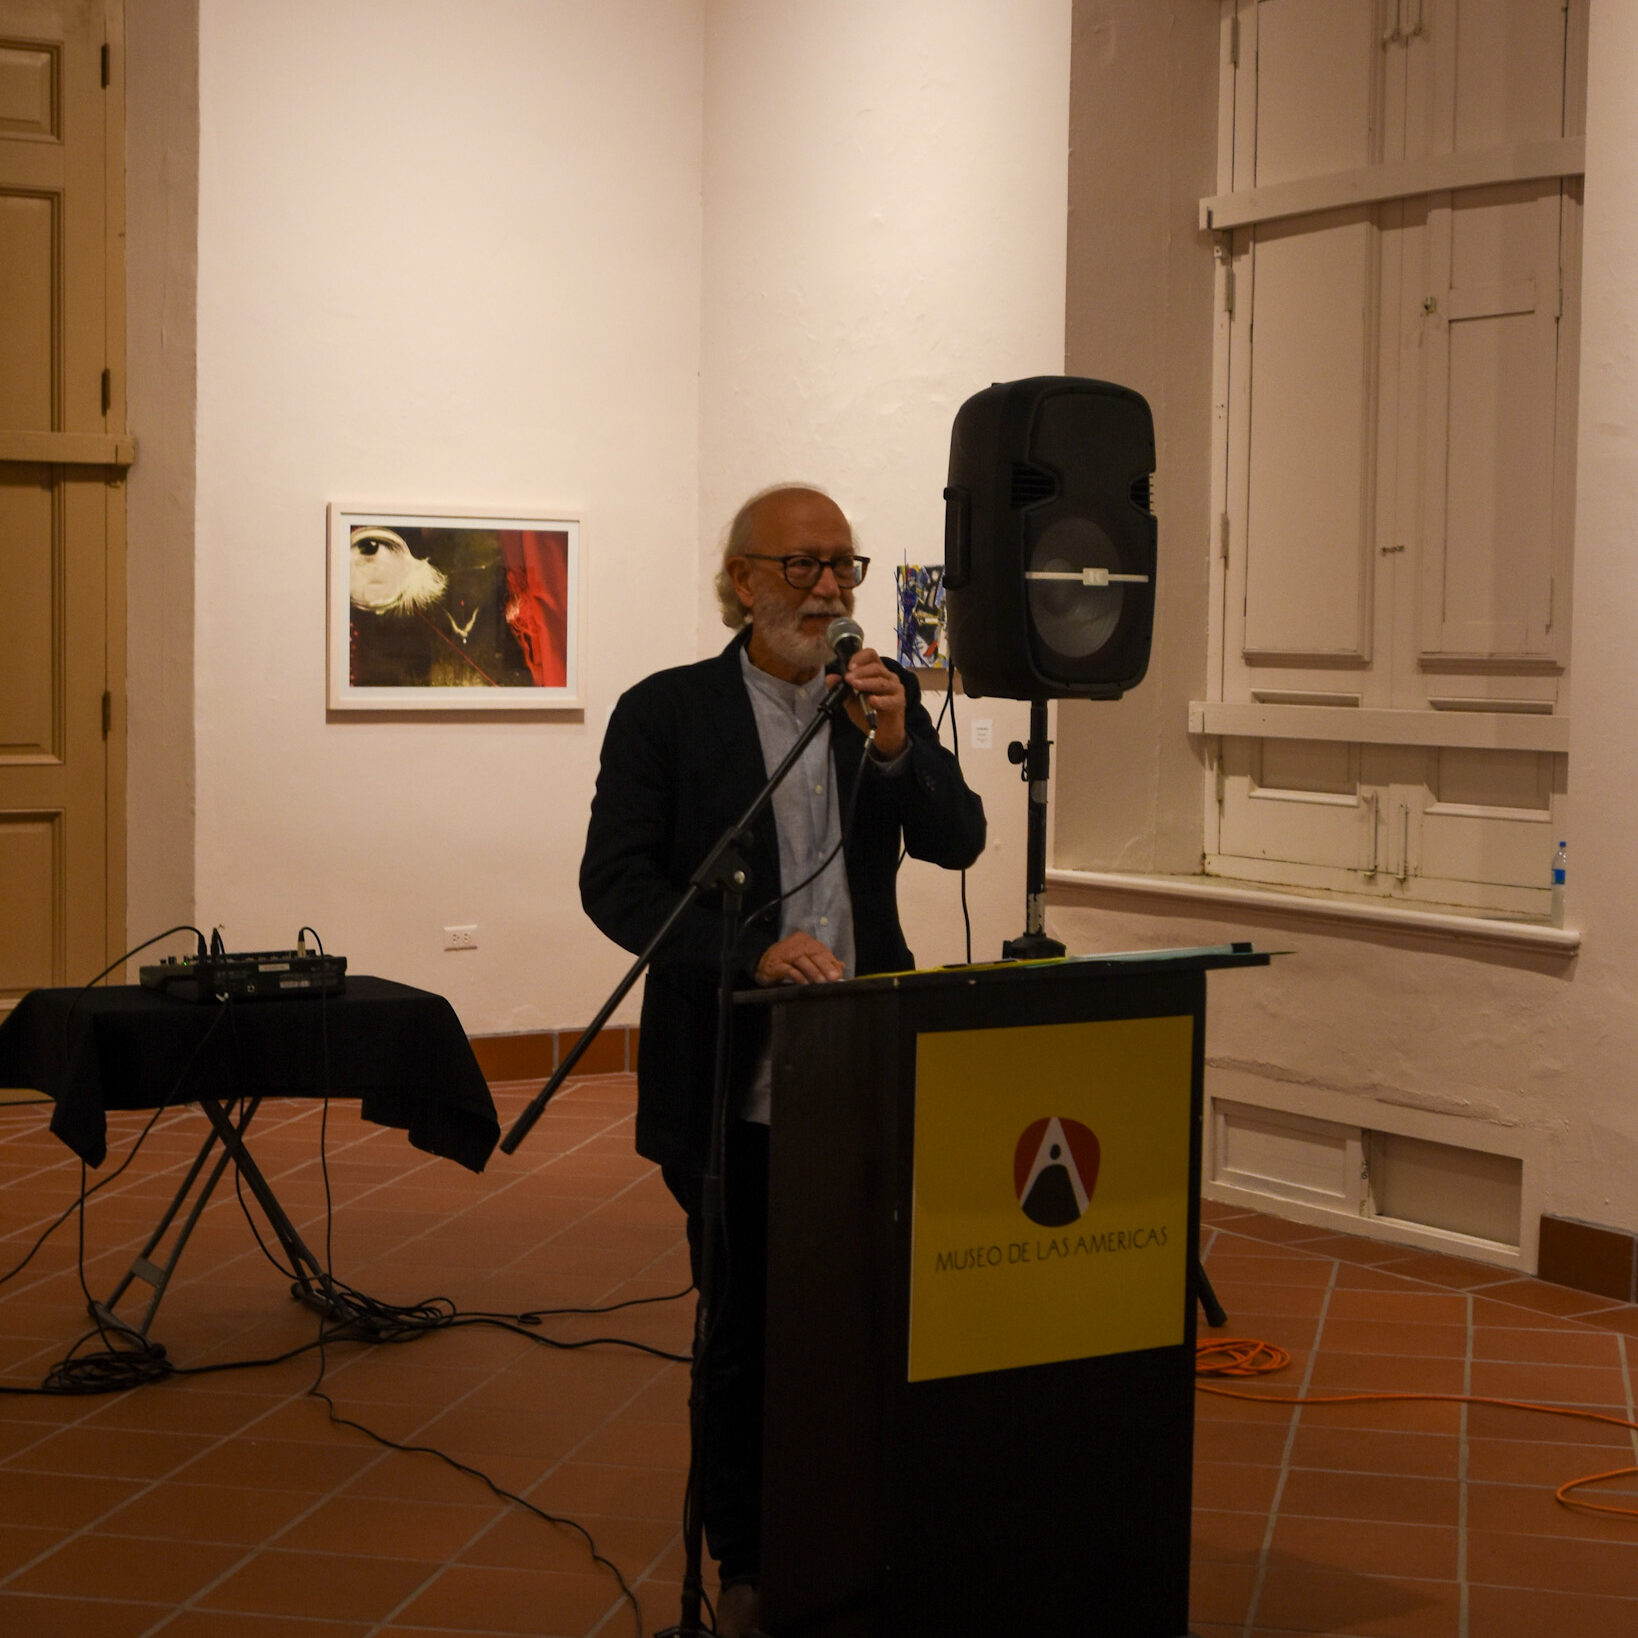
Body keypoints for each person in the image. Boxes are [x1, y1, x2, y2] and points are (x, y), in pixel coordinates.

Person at [579, 484, 986, 1636]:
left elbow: (959, 840)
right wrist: (749, 951)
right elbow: (618, 885)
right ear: (743, 581)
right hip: (730, 1078)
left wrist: (900, 745)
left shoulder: (877, 703)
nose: (827, 589)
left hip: (866, 1069)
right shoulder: (667, 713)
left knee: (873, 1324)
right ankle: (749, 1558)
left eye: (844, 567)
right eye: (802, 566)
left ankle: (870, 1533)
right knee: (746, 1335)